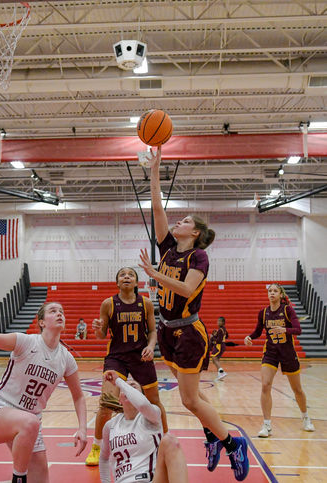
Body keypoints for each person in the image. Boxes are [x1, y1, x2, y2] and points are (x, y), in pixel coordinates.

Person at [138, 147, 249, 482]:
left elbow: (187, 290)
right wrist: (154, 171)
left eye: (185, 221)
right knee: (194, 395)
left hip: (189, 332)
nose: (178, 222)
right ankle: (212, 436)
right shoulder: (168, 248)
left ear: (196, 232)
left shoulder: (199, 257)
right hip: (167, 330)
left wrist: (154, 275)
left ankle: (233, 443)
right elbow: (157, 207)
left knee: (188, 400)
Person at [0, 300, 87, 483]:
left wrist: (82, 429)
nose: (59, 313)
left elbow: (79, 397)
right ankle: (18, 479)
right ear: (42, 322)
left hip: (30, 423)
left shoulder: (66, 359)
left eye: (61, 311)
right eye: (53, 311)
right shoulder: (26, 342)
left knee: (40, 481)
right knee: (30, 423)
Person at [85, 267, 167, 467]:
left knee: (154, 401)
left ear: (137, 282)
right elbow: (101, 336)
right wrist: (97, 329)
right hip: (117, 357)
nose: (127, 277)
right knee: (107, 403)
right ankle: (96, 447)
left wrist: (150, 347)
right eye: (123, 275)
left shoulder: (146, 303)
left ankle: (165, 441)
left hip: (140, 356)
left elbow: (152, 331)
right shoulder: (108, 304)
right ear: (117, 282)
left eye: (131, 274)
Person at [244, 282, 315, 438]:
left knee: (297, 390)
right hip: (270, 352)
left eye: (275, 291)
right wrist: (249, 337)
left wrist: (284, 329)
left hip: (288, 353)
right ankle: (266, 425)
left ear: (281, 294)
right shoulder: (263, 313)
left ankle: (305, 417)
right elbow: (257, 332)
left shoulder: (287, 310)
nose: (272, 293)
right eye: (270, 291)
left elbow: (298, 330)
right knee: (265, 385)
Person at [99, 370, 188, 483]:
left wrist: (119, 381)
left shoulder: (152, 416)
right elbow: (103, 458)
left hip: (150, 480)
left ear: (140, 396)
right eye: (126, 388)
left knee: (170, 441)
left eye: (133, 388)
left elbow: (142, 404)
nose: (128, 389)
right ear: (120, 400)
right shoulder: (110, 425)